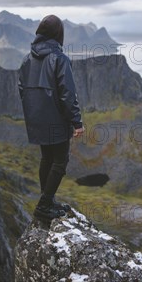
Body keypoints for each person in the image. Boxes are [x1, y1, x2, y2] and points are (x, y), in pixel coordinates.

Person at [18, 14, 84, 221]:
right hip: (56, 118)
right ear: (58, 35)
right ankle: (45, 205)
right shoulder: (60, 59)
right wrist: (76, 122)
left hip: (36, 118)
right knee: (60, 160)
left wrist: (33, 108)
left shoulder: (27, 58)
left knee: (46, 158)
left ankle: (48, 200)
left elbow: (22, 88)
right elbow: (67, 93)